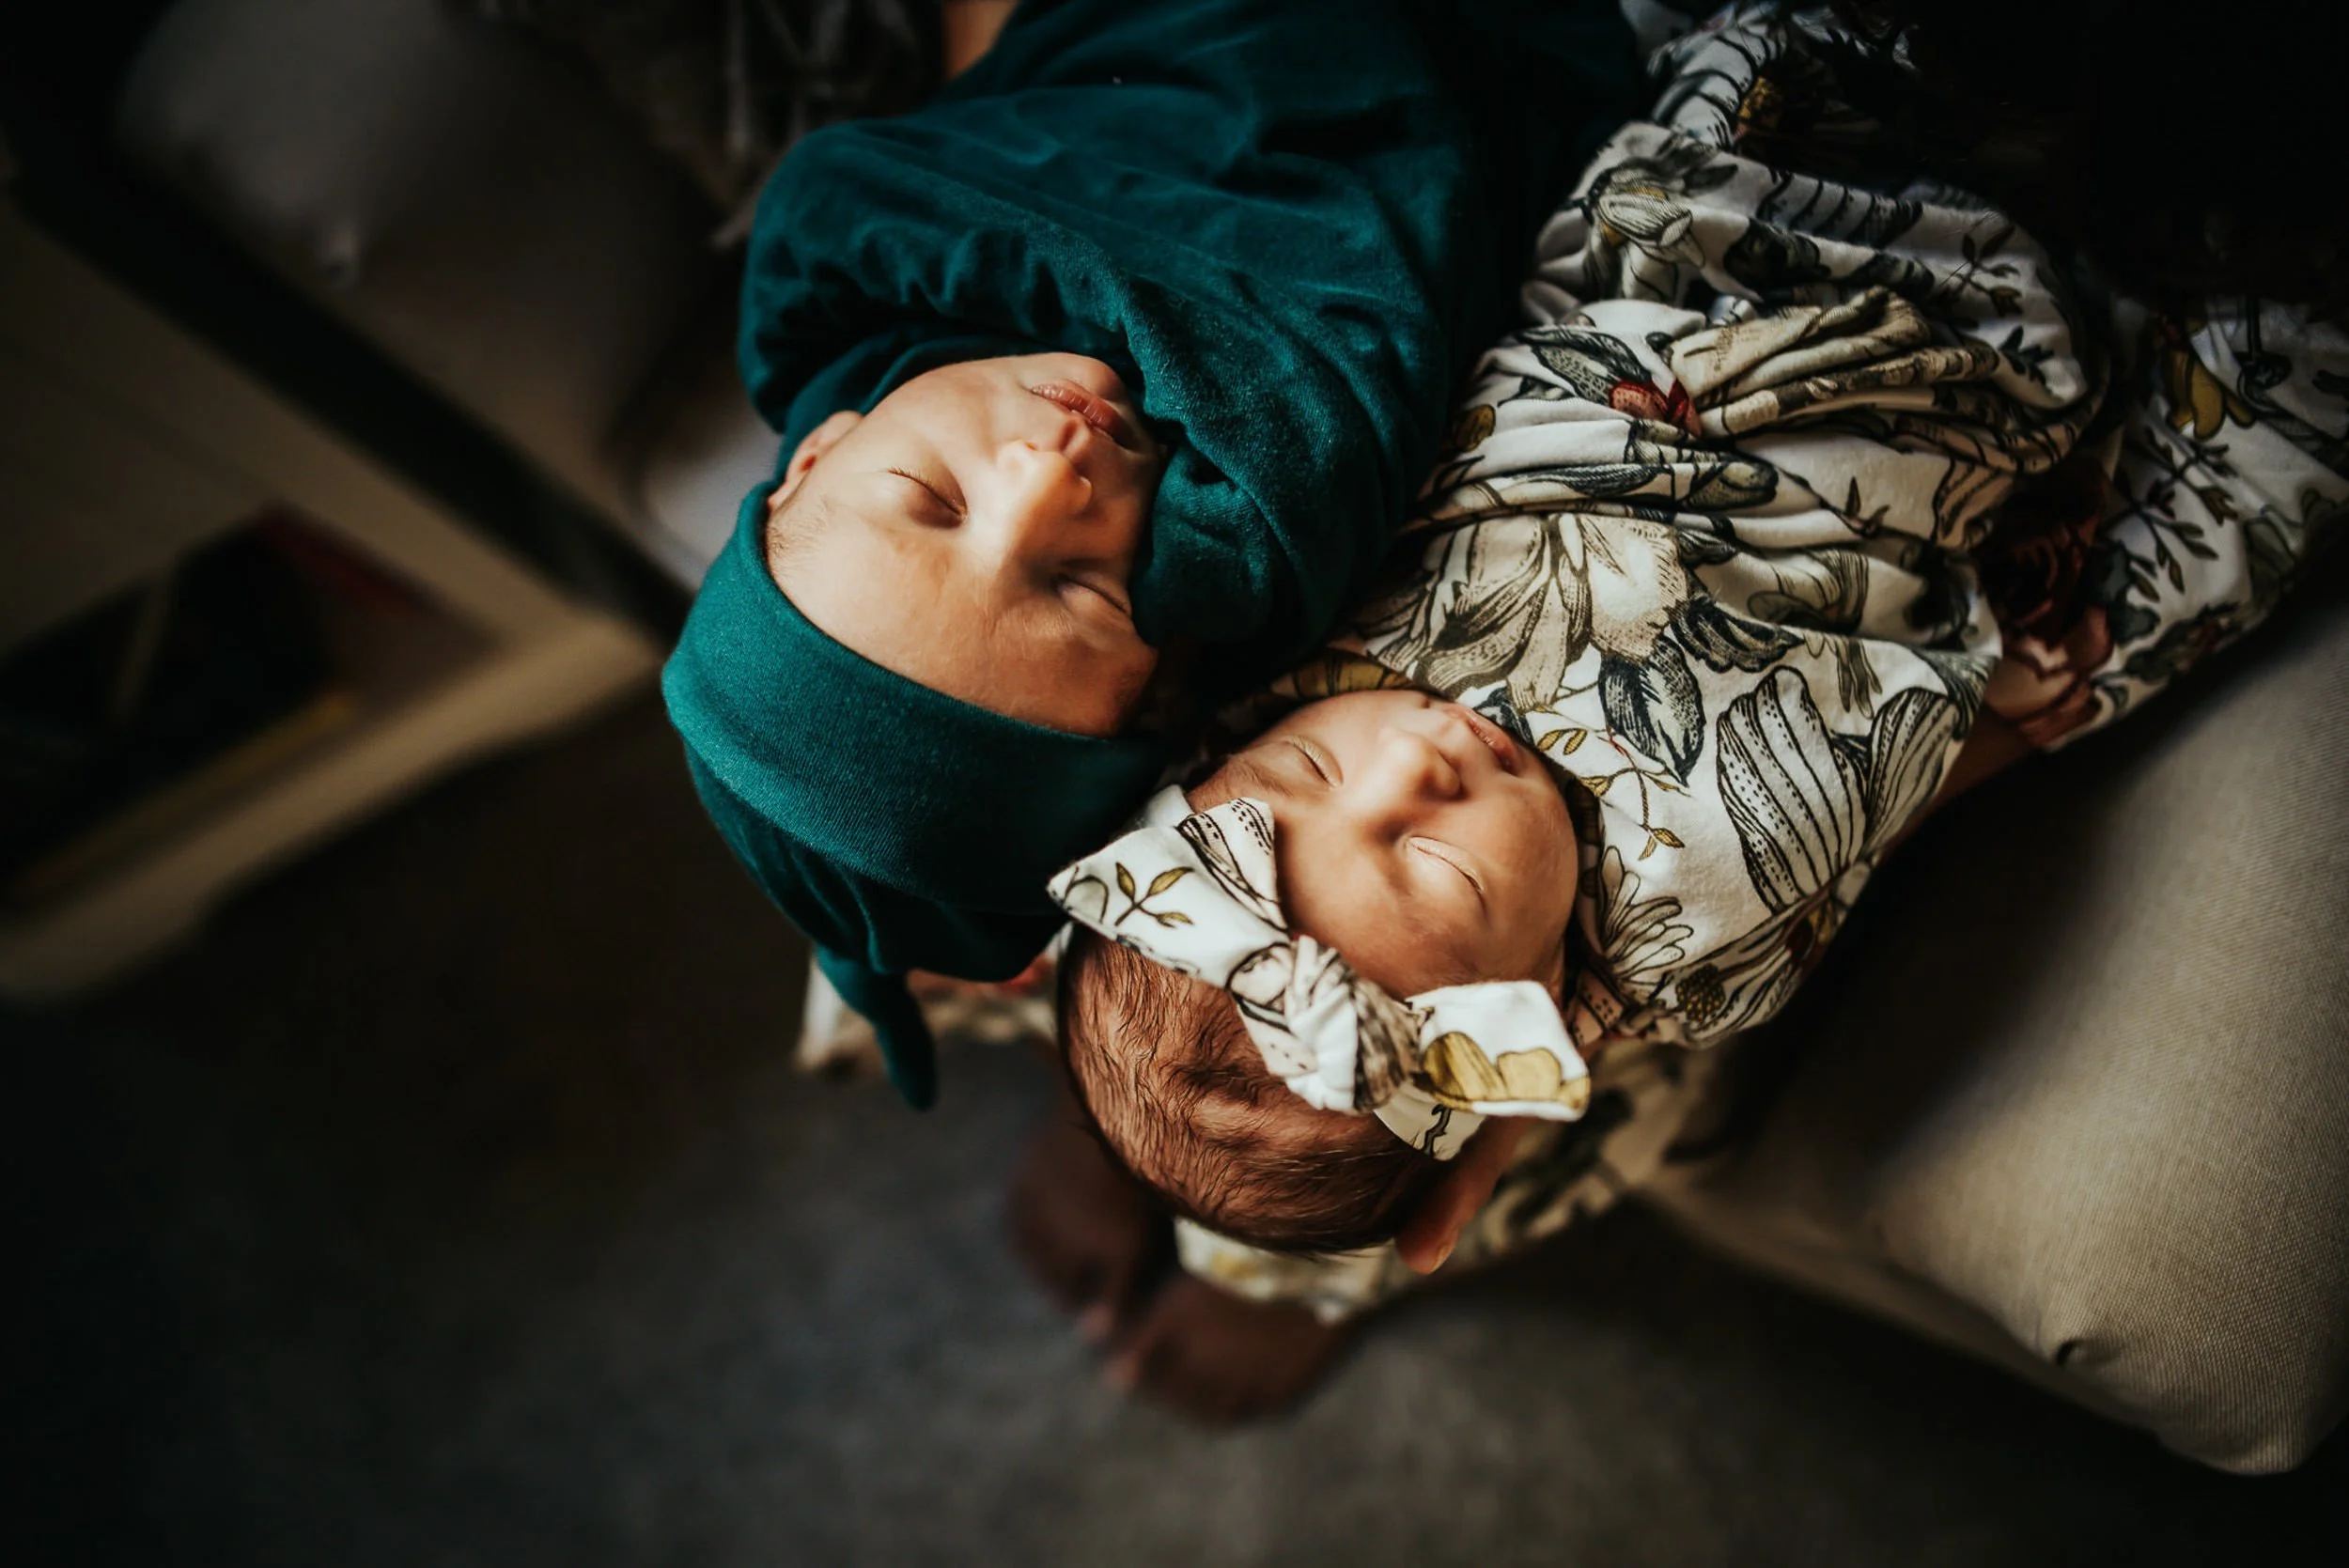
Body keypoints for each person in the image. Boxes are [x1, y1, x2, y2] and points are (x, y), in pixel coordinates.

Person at [1022, 1, 2348, 1416]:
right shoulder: (1687, 920)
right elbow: (1851, 815)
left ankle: (1199, 1204)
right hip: (1919, 469)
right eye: (1442, 864)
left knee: (1693, 124)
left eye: (1302, 787)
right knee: (2208, 518)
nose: (1407, 767)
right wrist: (1997, 720)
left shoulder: (1273, 652)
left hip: (1698, 309)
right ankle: (1261, 1247)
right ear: (1537, 999)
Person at [661, 0, 1643, 1107]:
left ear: (815, 455)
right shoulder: (1262, 539)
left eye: (927, 496)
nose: (1045, 474)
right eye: (1075, 585)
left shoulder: (843, 301)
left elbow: (866, 180)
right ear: (1164, 673)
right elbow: (1324, 402)